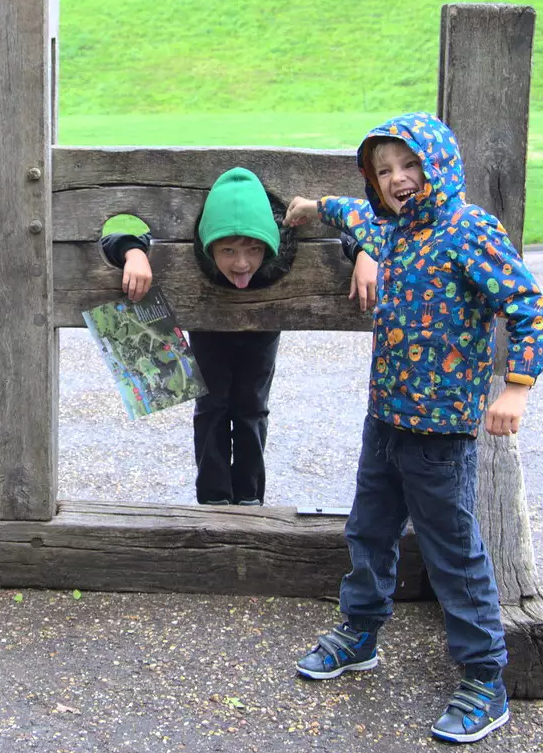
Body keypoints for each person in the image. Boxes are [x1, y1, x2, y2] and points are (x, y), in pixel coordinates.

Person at [284, 112, 543, 744]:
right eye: (384, 170)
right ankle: (360, 632)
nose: (397, 179)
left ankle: (486, 679)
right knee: (367, 530)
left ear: (438, 167)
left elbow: (527, 302)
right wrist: (308, 206)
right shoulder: (386, 226)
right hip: (386, 418)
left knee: (452, 550)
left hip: (442, 431)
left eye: (409, 166)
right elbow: (349, 212)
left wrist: (516, 386)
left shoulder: (468, 231)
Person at [101, 168, 378, 506]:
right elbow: (114, 239)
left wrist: (364, 253)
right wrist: (134, 254)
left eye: (253, 249)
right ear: (208, 244)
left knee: (251, 407)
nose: (243, 263)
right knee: (211, 405)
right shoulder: (196, 242)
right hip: (208, 323)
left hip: (264, 322)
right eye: (228, 250)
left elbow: (347, 236)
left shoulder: (288, 237)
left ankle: (249, 498)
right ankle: (214, 499)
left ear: (270, 243)